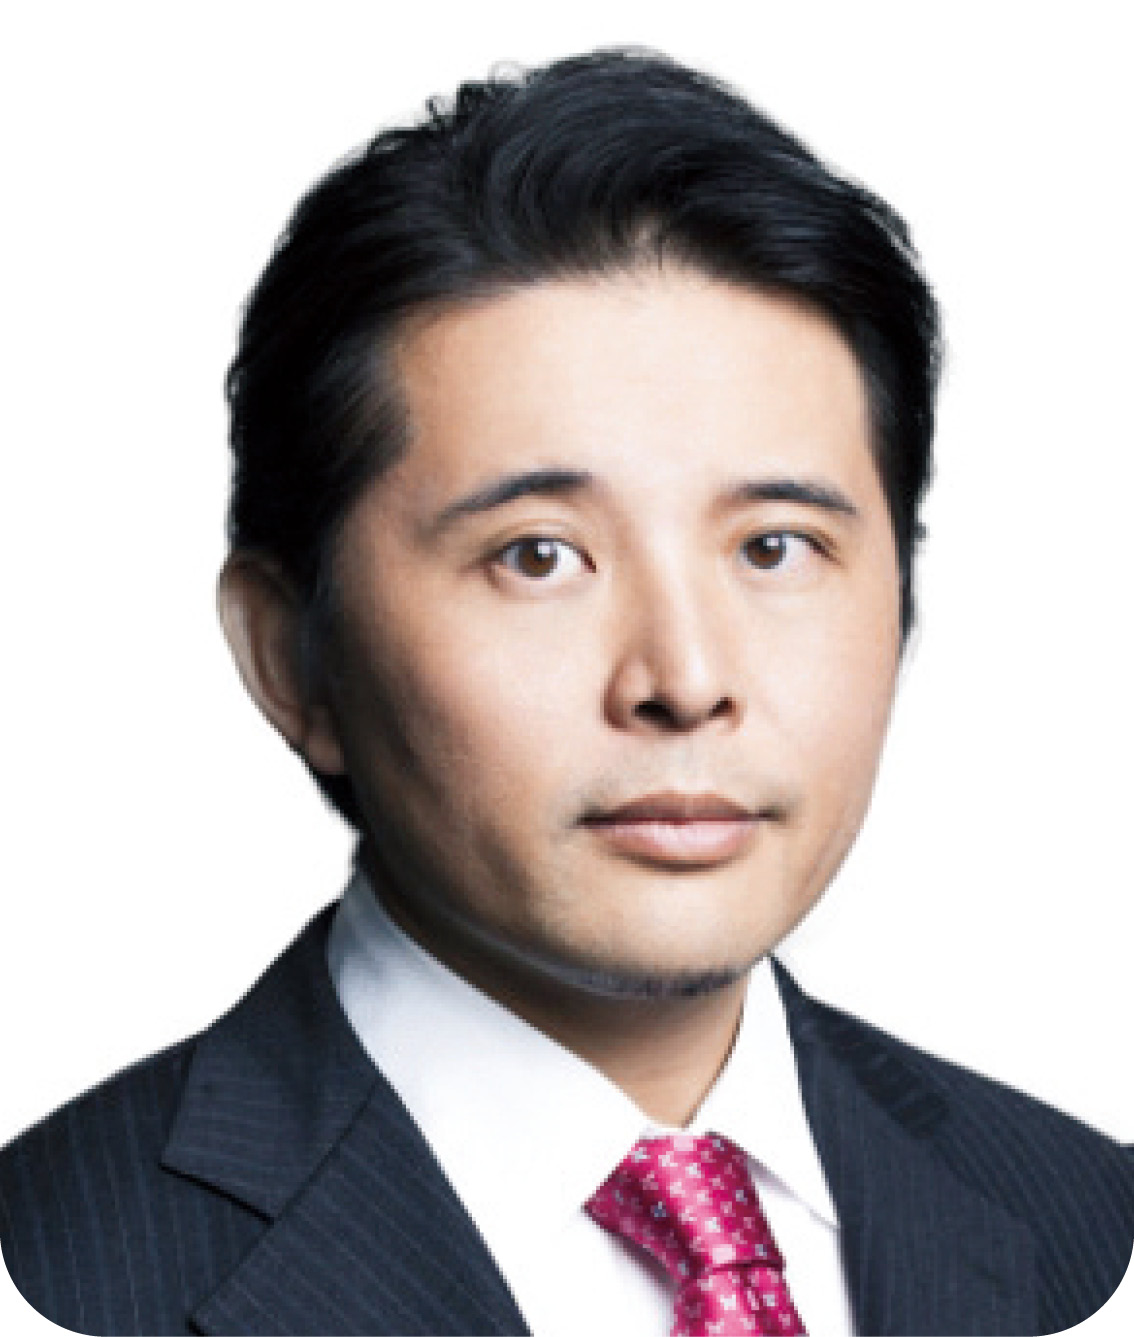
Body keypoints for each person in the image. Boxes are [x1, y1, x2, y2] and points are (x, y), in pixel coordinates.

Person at [1, 47, 1130, 1337]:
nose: (686, 682)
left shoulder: (1085, 1221)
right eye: (538, 556)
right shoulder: (61, 1269)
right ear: (287, 655)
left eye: (775, 548)